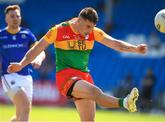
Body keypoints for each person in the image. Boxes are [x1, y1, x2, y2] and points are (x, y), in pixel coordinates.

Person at [7, 7, 148, 121]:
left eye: (92, 27)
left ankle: (125, 103)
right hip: (66, 77)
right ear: (79, 20)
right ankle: (125, 102)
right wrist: (21, 64)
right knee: (95, 92)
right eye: (87, 26)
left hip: (84, 76)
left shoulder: (93, 32)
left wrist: (135, 49)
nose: (89, 31)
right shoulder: (58, 30)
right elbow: (36, 49)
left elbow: (115, 44)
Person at [0, 5, 46, 121]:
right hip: (9, 76)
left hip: (27, 77)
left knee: (21, 115)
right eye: (12, 16)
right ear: (6, 18)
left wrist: (38, 59)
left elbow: (40, 50)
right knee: (25, 106)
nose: (15, 18)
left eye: (17, 16)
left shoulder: (27, 34)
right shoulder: (1, 35)